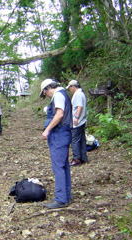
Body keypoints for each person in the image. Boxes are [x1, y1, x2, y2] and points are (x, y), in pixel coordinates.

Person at [40, 79, 72, 209]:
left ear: (48, 89)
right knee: (64, 165)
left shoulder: (58, 95)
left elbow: (59, 114)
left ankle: (60, 199)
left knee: (58, 167)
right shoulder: (64, 93)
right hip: (64, 133)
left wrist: (47, 130)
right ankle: (66, 196)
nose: (46, 95)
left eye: (44, 93)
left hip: (59, 134)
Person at [66, 80, 88, 166]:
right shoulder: (81, 93)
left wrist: (76, 117)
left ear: (73, 86)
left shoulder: (78, 94)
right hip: (81, 121)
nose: (69, 90)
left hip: (77, 122)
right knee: (81, 139)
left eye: (70, 88)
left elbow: (80, 107)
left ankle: (76, 159)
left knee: (74, 140)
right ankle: (83, 158)